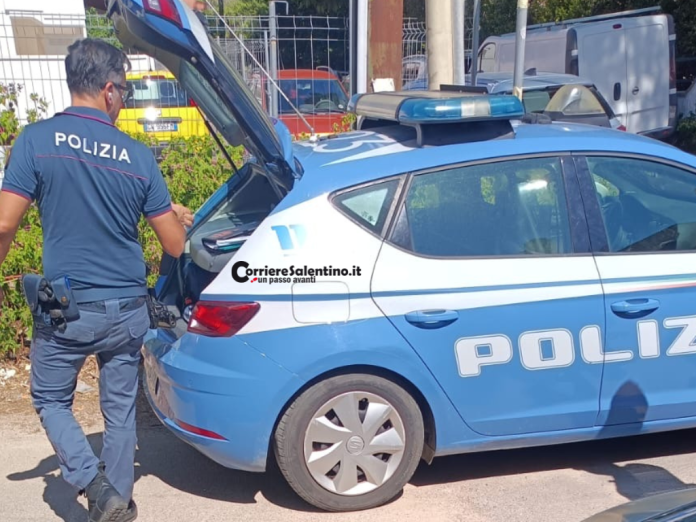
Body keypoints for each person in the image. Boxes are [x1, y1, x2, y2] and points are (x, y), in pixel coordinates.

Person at [0, 39, 192, 522]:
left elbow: (4, 222)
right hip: (127, 309)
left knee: (49, 397)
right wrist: (175, 217)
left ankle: (94, 485)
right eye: (124, 91)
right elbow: (174, 245)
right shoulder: (138, 156)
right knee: (120, 410)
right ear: (108, 90)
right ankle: (116, 499)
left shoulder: (36, 140)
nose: (123, 100)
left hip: (67, 309)